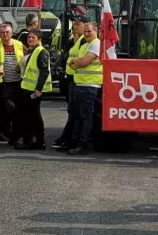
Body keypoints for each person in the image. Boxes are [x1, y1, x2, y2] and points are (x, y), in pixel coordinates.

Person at [65, 20, 103, 155]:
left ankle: (83, 144)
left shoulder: (96, 44)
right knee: (77, 116)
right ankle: (74, 142)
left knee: (86, 117)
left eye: (89, 31)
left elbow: (82, 62)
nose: (86, 33)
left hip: (90, 85)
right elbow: (75, 64)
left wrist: (76, 62)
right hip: (80, 84)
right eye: (85, 31)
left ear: (96, 31)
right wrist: (76, 62)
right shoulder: (84, 46)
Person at [53, 17, 86, 150]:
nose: (75, 27)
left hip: (79, 81)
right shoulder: (72, 41)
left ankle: (70, 139)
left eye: (78, 24)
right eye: (74, 24)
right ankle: (68, 138)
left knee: (75, 112)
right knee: (72, 111)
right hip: (70, 79)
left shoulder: (85, 41)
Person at [18, 30, 52, 149]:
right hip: (27, 88)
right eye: (29, 37)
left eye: (33, 37)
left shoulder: (41, 52)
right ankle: (31, 140)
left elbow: (44, 71)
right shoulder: (33, 51)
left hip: (33, 91)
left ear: (39, 39)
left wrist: (38, 89)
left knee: (34, 117)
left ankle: (38, 141)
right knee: (29, 116)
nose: (30, 39)